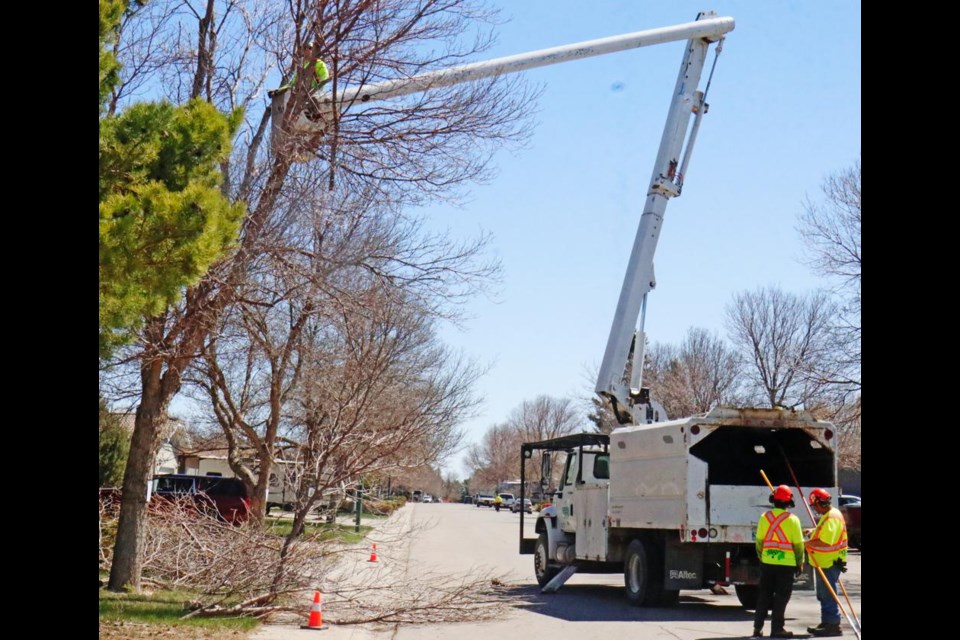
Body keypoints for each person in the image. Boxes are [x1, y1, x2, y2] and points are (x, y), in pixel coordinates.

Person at [752, 485, 805, 638]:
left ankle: (757, 628)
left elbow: (759, 541)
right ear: (790, 502)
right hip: (786, 565)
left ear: (773, 500)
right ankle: (777, 629)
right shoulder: (793, 520)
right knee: (781, 597)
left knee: (764, 595)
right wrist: (799, 562)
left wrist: (762, 557)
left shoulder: (764, 517)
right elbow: (798, 545)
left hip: (767, 562)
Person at [804, 488, 848, 637]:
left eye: (814, 506)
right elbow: (825, 533)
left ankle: (832, 624)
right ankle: (827, 621)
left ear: (819, 503)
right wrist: (813, 531)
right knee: (823, 593)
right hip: (826, 561)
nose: (815, 509)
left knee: (827, 593)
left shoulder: (832, 517)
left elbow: (826, 541)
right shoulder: (830, 515)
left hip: (829, 562)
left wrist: (807, 544)